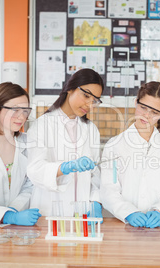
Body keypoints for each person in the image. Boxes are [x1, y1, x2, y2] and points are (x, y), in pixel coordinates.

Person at [100, 82, 160, 228]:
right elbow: (109, 189)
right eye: (143, 107)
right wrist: (128, 212)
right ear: (135, 102)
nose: (146, 115)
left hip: (157, 229)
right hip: (123, 227)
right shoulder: (115, 145)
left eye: (154, 112)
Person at [27, 68, 104, 220]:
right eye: (86, 95)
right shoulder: (42, 125)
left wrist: (95, 202)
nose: (89, 104)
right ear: (70, 89)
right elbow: (34, 170)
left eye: (94, 100)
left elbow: (95, 174)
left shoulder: (91, 129)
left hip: (83, 215)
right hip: (49, 213)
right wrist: (64, 167)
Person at [0, 82, 41, 226]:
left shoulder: (29, 144)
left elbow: (30, 184)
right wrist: (7, 216)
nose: (21, 117)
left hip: (22, 229)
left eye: (25, 111)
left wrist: (14, 210)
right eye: (15, 110)